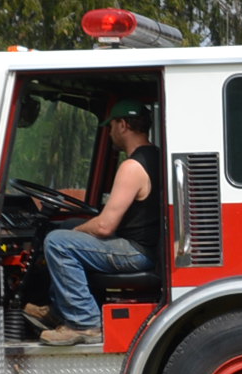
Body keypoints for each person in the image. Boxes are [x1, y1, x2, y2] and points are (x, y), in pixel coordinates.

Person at [34, 100, 162, 346]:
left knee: (58, 242)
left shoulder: (132, 166)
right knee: (64, 228)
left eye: (112, 126)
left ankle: (85, 323)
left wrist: (76, 230)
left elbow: (105, 226)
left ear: (123, 125)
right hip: (145, 247)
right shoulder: (154, 156)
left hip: (136, 251)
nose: (110, 132)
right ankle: (59, 310)